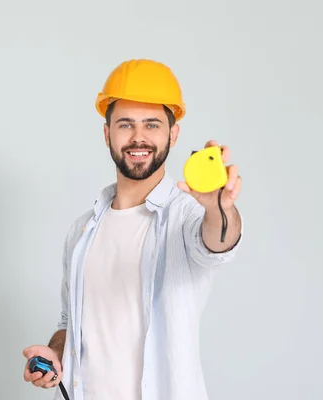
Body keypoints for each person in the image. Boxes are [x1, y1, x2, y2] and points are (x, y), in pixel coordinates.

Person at [23, 59, 244, 400]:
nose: (138, 137)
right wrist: (56, 353)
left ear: (173, 134)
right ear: (107, 133)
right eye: (125, 124)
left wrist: (218, 209)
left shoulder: (186, 216)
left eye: (151, 125)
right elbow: (70, 322)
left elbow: (217, 244)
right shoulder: (83, 230)